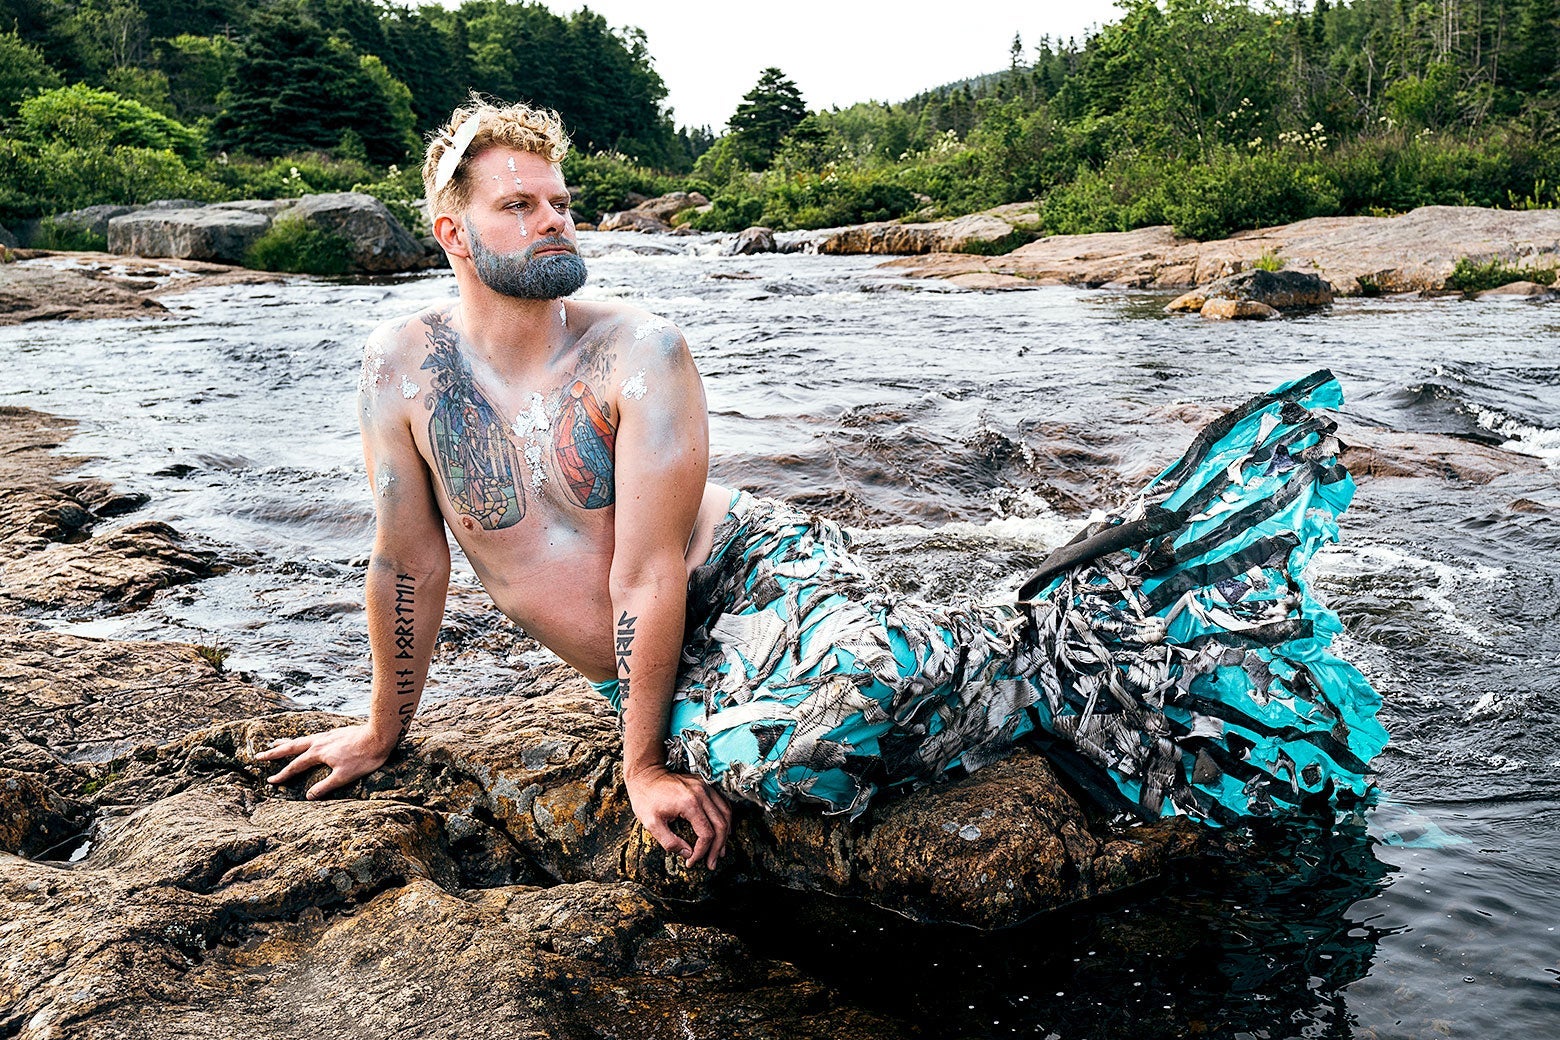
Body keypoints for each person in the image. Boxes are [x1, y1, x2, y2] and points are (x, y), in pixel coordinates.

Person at [257, 99, 1388, 872]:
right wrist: (380, 728)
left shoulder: (635, 351)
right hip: (658, 661)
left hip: (749, 579)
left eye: (560, 201)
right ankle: (1004, 631)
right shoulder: (401, 364)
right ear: (454, 232)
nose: (556, 221)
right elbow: (409, 557)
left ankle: (1062, 621)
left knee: (829, 720)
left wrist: (642, 764)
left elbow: (647, 564)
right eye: (523, 207)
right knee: (786, 763)